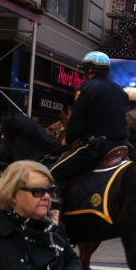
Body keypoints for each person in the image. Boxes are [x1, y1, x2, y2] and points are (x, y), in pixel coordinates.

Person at [50, 52, 129, 203]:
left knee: (53, 174)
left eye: (86, 68)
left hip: (97, 148)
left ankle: (53, 221)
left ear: (91, 68)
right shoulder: (120, 90)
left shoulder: (87, 88)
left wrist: (70, 138)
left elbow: (76, 122)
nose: (85, 72)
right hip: (122, 146)